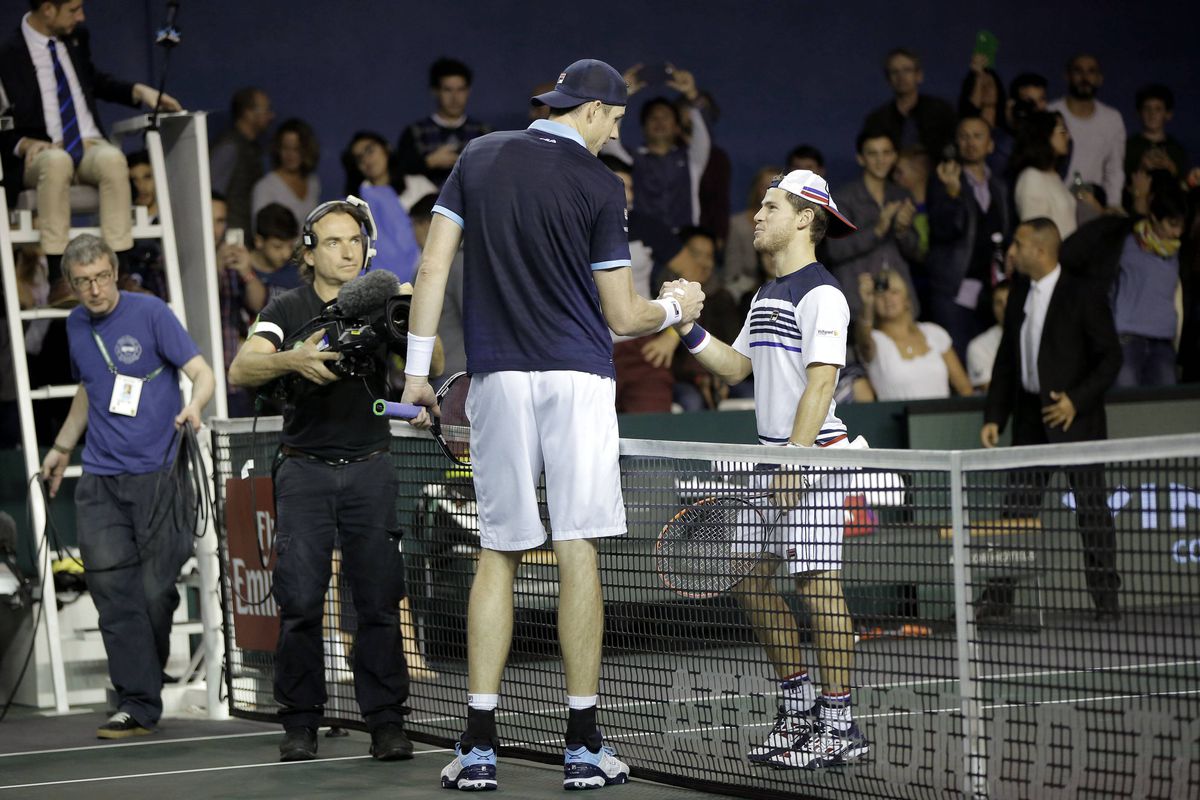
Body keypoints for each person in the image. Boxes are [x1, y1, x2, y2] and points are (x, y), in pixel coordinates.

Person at [398, 58, 704, 791]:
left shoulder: (477, 155)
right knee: (576, 549)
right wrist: (678, 308)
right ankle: (583, 745)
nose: (615, 134)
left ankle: (478, 746)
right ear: (592, 111)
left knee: (499, 552)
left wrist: (414, 374)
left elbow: (431, 269)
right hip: (577, 381)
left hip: (498, 380)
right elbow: (623, 316)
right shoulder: (600, 184)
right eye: (616, 120)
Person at [664, 168, 870, 769]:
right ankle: (798, 709)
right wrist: (685, 326)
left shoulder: (823, 295)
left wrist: (795, 459)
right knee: (751, 582)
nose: (757, 216)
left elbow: (822, 382)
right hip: (773, 459)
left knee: (816, 586)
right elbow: (736, 368)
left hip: (811, 458)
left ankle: (839, 724)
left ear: (805, 218)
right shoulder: (764, 295)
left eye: (771, 206)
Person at [228, 200, 414, 764]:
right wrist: (293, 360)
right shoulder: (286, 307)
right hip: (304, 470)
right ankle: (300, 723)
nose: (348, 251)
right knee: (301, 603)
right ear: (308, 252)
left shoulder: (382, 301)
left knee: (378, 603)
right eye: (334, 242)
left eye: (355, 240)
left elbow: (430, 365)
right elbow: (241, 367)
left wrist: (411, 316)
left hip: (370, 467)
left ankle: (386, 723)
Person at [39, 233, 215, 739]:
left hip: (161, 475)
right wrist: (62, 446)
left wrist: (195, 405)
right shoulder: (76, 325)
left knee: (155, 593)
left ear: (115, 273)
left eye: (101, 277)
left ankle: (143, 679)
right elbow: (91, 389)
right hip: (101, 478)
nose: (95, 289)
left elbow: (201, 372)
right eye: (83, 282)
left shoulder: (151, 313)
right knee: (112, 591)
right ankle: (136, 702)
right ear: (70, 285)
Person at [981, 218, 1122, 620]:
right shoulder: (1019, 292)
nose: (1012, 251)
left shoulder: (1083, 293)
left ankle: (1106, 601)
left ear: (1040, 251)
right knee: (1015, 512)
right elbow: (1007, 360)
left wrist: (1075, 401)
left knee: (1092, 510)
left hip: (1077, 421)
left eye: (1018, 243)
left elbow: (1111, 357)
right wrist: (995, 416)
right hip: (1030, 419)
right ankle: (999, 600)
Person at [0, 0, 181, 289]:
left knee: (112, 158)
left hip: (87, 144)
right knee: (56, 162)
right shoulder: (7, 55)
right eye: (73, 9)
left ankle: (118, 271)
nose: (81, 16)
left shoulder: (75, 38)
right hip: (43, 151)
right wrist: (22, 143)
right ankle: (60, 278)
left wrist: (138, 91)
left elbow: (92, 81)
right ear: (48, 9)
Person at [927, 116, 1013, 358]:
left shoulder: (1000, 185)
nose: (971, 142)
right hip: (954, 290)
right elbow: (942, 230)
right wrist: (953, 194)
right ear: (956, 143)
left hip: (990, 292)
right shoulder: (942, 179)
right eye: (964, 137)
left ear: (991, 144)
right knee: (960, 361)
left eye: (977, 136)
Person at [824, 129, 922, 319]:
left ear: (894, 156)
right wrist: (877, 230)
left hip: (899, 302)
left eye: (886, 153)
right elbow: (835, 250)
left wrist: (902, 231)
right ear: (861, 158)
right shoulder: (842, 198)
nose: (880, 160)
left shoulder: (902, 195)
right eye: (872, 153)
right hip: (857, 301)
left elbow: (917, 253)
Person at [855, 269, 973, 401]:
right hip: (895, 415)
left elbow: (964, 388)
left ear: (907, 299)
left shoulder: (933, 332)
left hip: (942, 413)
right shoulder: (875, 340)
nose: (887, 298)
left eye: (894, 292)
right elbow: (864, 342)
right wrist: (867, 306)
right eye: (880, 294)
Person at [341, 131, 425, 284]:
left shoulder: (419, 185)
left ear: (386, 148)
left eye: (369, 150)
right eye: (359, 158)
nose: (366, 159)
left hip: (424, 273)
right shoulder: (353, 203)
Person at [395, 57, 491, 187]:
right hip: (427, 199)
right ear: (435, 91)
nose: (455, 98)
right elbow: (397, 173)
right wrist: (429, 162)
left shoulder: (484, 133)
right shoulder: (415, 133)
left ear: (469, 91)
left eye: (460, 89)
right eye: (447, 90)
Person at [210, 192, 265, 417]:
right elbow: (202, 303)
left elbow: (259, 304)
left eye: (220, 221)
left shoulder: (234, 257)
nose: (215, 229)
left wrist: (246, 272)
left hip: (233, 379)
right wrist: (216, 267)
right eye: (210, 220)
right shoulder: (182, 260)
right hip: (198, 375)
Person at [1048, 54, 1125, 212]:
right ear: (1067, 76)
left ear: (1100, 78)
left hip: (1093, 205)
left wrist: (1113, 204)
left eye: (1091, 71)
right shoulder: (1050, 113)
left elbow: (1114, 168)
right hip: (1055, 203)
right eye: (1078, 71)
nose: (1085, 77)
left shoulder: (1112, 119)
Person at [862, 48, 957, 159]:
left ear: (919, 76)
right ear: (888, 79)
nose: (901, 77)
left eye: (907, 70)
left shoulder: (941, 111)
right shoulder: (877, 120)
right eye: (894, 72)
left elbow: (955, 146)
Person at [210, 87, 274, 235]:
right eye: (266, 110)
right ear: (248, 113)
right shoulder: (229, 147)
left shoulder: (252, 147)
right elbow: (212, 195)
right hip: (230, 235)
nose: (271, 116)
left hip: (246, 232)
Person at [1011, 111, 1085, 238]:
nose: (1068, 137)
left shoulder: (1054, 176)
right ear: (1044, 134)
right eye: (1062, 131)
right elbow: (1034, 235)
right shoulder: (1032, 178)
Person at [251, 118, 320, 233]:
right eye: (285, 148)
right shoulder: (265, 187)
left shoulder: (313, 182)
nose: (290, 155)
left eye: (296, 149)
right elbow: (259, 232)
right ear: (278, 150)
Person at [251, 203, 303, 301]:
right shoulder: (240, 270)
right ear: (259, 241)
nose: (287, 254)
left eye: (291, 246)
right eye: (278, 247)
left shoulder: (298, 274)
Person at [966, 280, 1010, 392]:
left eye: (1010, 300)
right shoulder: (978, 346)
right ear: (992, 307)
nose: (1005, 307)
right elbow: (991, 391)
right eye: (999, 303)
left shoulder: (1038, 335)